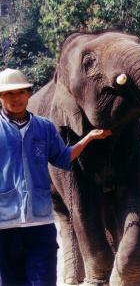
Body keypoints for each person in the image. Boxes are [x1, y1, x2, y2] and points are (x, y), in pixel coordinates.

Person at [0, 68, 112, 285]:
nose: (16, 98)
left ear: (29, 94)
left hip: (40, 223)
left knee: (44, 281)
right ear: (0, 97)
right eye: (9, 94)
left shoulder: (44, 127)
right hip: (4, 225)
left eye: (21, 92)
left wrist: (87, 138)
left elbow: (62, 158)